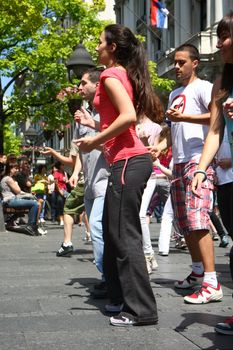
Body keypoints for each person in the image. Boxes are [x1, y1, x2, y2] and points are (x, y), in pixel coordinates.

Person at [75, 24, 163, 327]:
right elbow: (118, 117)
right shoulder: (121, 74)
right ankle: (120, 299)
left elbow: (126, 118)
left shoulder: (112, 74)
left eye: (100, 42)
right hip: (127, 162)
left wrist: (93, 141)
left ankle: (141, 311)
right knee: (114, 235)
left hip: (129, 162)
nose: (96, 46)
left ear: (112, 47)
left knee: (125, 236)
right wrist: (92, 124)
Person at [151, 43, 223, 304]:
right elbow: (171, 128)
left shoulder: (204, 87)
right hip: (179, 164)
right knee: (185, 223)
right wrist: (159, 147)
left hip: (198, 160)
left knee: (199, 220)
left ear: (195, 63)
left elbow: (215, 119)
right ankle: (197, 272)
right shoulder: (173, 93)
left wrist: (185, 118)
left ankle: (212, 282)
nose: (177, 67)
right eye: (175, 62)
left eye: (182, 62)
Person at [191, 12, 233, 335]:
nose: (219, 43)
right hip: (229, 178)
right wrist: (202, 169)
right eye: (219, 36)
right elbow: (215, 131)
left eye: (225, 35)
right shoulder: (221, 83)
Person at [136, 116, 161, 274]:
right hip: (130, 174)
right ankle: (146, 255)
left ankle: (147, 255)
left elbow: (154, 156)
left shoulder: (155, 127)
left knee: (140, 215)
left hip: (149, 176)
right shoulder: (127, 122)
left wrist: (145, 143)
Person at [1, 162, 40, 235]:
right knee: (34, 204)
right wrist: (15, 183)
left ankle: (10, 221)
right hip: (10, 201)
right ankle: (31, 226)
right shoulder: (8, 179)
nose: (17, 170)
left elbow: (20, 192)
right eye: (15, 168)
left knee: (31, 201)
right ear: (10, 169)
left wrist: (28, 194)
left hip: (10, 200)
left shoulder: (8, 178)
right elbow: (18, 191)